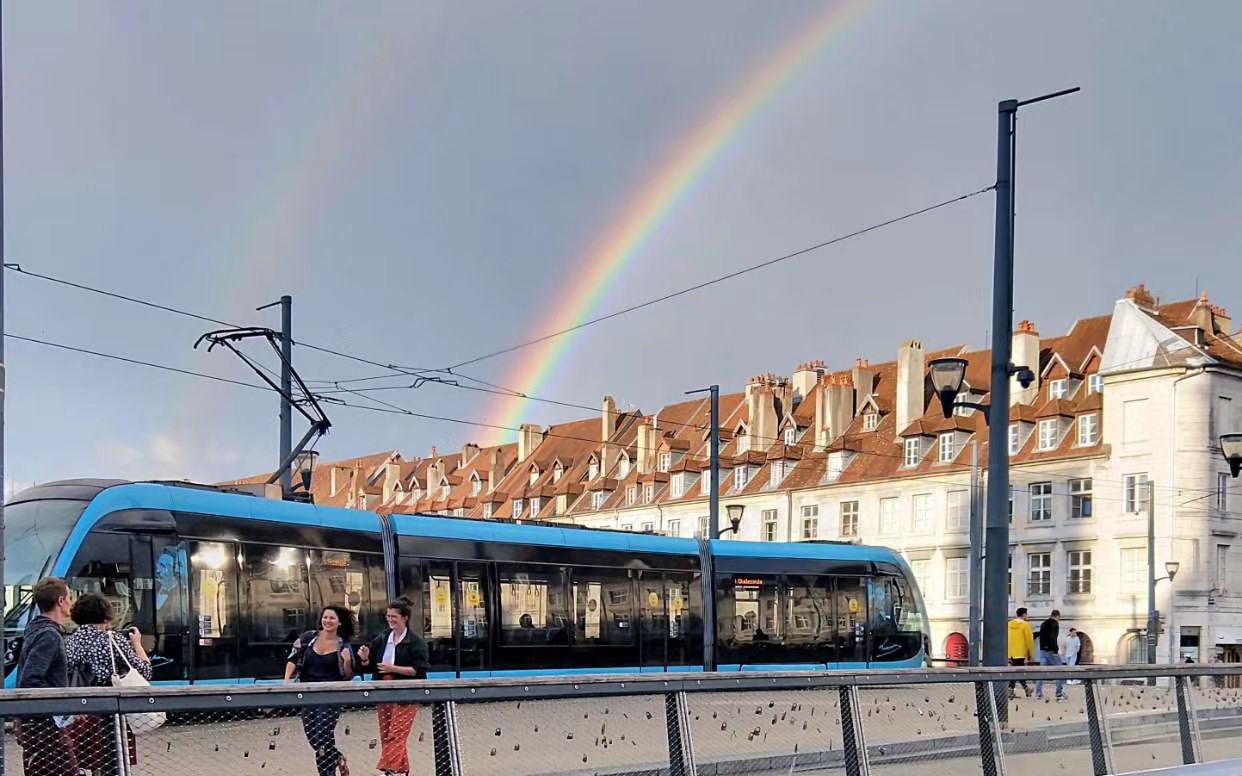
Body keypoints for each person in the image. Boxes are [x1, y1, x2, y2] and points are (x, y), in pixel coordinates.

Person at [64, 592, 153, 775]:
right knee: (111, 764)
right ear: (106, 615)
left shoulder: (69, 642)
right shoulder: (113, 641)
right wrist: (137, 644)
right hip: (110, 715)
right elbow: (145, 671)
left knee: (81, 763)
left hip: (79, 714)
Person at [357, 597, 430, 776]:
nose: (390, 619)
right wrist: (365, 657)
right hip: (383, 690)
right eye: (388, 616)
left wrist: (393, 668)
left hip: (407, 692)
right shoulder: (382, 639)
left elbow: (418, 670)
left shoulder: (416, 642)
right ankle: (402, 770)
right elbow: (371, 665)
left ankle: (389, 769)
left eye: (394, 616)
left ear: (404, 618)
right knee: (386, 731)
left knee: (397, 732)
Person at [15, 577, 78, 776]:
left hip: (36, 723)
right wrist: (57, 707)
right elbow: (31, 679)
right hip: (47, 725)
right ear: (60, 601)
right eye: (69, 597)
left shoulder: (35, 630)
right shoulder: (49, 635)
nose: (71, 602)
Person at [285, 606, 357, 776]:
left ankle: (326, 774)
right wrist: (287, 680)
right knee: (313, 737)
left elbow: (348, 676)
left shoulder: (343, 645)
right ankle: (337, 757)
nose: (327, 621)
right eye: (325, 617)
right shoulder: (308, 638)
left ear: (339, 623)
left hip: (330, 696)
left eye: (332, 618)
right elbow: (292, 659)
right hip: (308, 694)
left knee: (322, 735)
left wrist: (346, 662)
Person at [1035, 610, 1066, 701]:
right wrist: (1055, 650)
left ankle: (1038, 693)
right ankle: (1058, 693)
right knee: (1060, 671)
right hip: (1051, 651)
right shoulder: (1054, 624)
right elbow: (1053, 638)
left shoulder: (1043, 623)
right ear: (1057, 616)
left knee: (1041, 672)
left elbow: (1042, 636)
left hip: (1042, 650)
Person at [1007, 607, 1035, 699]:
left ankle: (1012, 690)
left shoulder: (1009, 624)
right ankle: (1024, 689)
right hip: (1020, 652)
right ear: (1023, 614)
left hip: (1010, 652)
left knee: (1016, 671)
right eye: (1026, 614)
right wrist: (1031, 653)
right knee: (1018, 671)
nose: (1027, 616)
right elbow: (1029, 640)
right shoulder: (1025, 625)